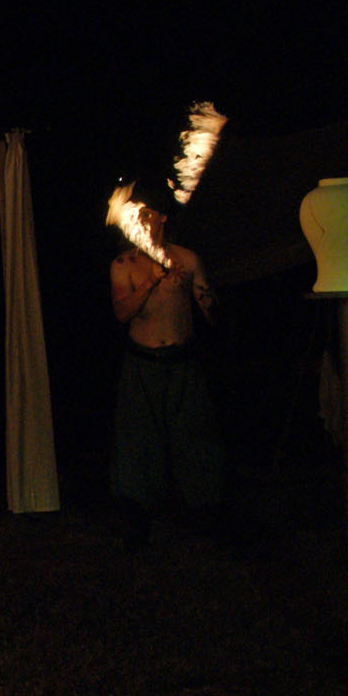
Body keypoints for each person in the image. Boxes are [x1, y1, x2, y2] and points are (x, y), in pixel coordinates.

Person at [108, 184, 223, 547]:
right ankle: (136, 521)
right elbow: (121, 313)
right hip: (142, 365)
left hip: (182, 363)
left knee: (195, 439)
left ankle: (207, 517)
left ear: (161, 219)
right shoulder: (124, 264)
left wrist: (211, 304)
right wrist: (153, 281)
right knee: (138, 443)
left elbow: (210, 310)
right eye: (136, 215)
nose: (141, 221)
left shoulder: (187, 259)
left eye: (147, 215)